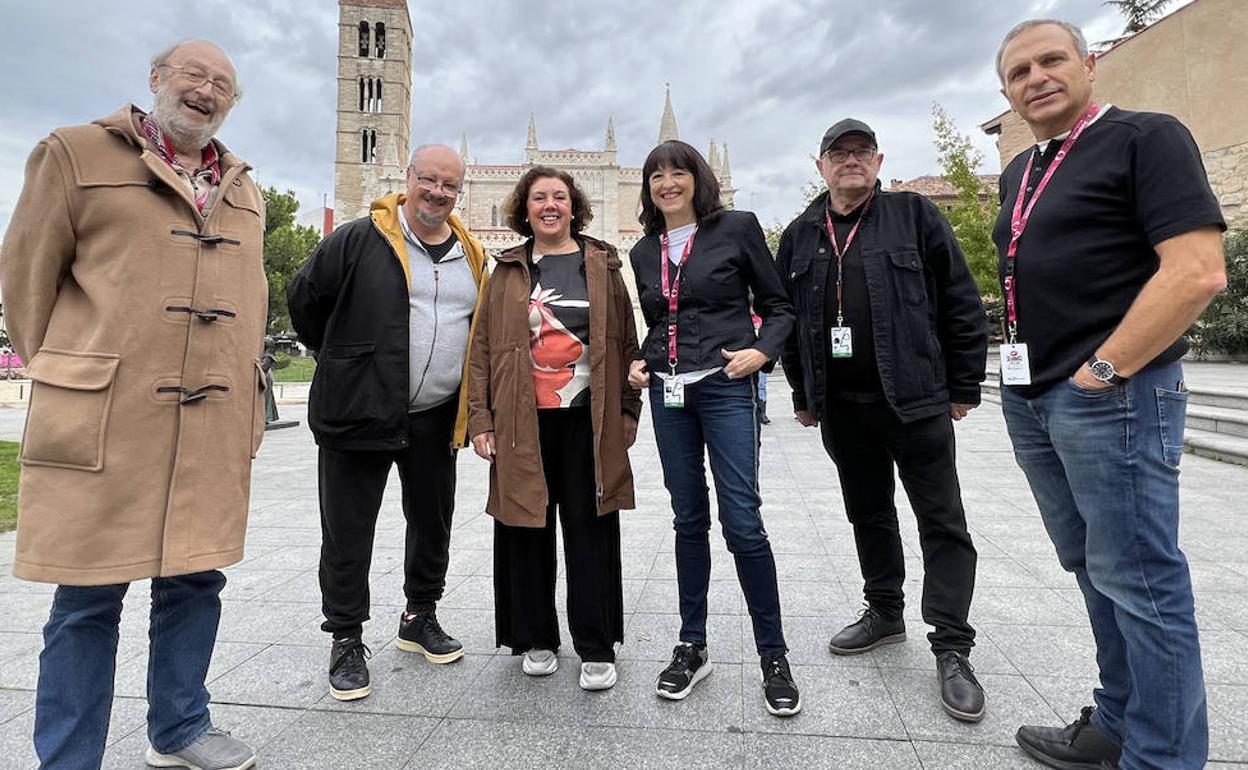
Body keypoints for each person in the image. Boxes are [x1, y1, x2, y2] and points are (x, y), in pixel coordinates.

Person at [0, 39, 265, 770]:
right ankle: (69, 757)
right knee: (87, 599)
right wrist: (73, 371)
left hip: (207, 420)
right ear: (155, 81)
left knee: (196, 579)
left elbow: (249, 301)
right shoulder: (74, 154)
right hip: (108, 418)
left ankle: (180, 727)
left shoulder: (244, 187)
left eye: (222, 84)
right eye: (193, 74)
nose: (206, 91)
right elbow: (26, 284)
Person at [993, 19, 1227, 770]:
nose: (1036, 77)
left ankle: (1160, 758)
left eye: (1052, 59)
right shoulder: (1019, 173)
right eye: (1019, 71)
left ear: (1090, 65)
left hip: (1111, 395)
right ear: (1007, 92)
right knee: (1093, 568)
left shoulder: (1146, 138)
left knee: (1142, 580)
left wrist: (1106, 369)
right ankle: (1118, 724)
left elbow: (1195, 271)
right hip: (1034, 397)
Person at [777, 119, 988, 723]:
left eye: (861, 152)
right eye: (838, 154)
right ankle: (885, 612)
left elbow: (960, 300)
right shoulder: (799, 235)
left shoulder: (914, 215)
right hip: (844, 408)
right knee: (868, 514)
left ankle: (951, 646)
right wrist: (803, 394)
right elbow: (786, 321)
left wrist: (964, 384)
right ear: (820, 165)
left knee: (942, 522)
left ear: (878, 160)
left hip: (917, 401)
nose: (850, 161)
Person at [287, 144, 488, 701]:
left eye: (450, 185)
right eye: (429, 180)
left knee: (432, 522)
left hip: (434, 416)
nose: (438, 192)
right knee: (349, 531)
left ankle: (419, 615)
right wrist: (346, 362)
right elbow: (305, 300)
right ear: (408, 179)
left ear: (459, 191)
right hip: (361, 412)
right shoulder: (358, 238)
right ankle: (346, 638)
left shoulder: (471, 254)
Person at [627, 140, 801, 717]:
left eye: (678, 172)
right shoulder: (645, 250)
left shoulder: (737, 228)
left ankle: (772, 655)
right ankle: (691, 644)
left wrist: (761, 353)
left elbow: (780, 307)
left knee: (743, 521)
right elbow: (660, 320)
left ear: (698, 179)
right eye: (657, 175)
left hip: (726, 387)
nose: (667, 182)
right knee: (687, 518)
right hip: (670, 396)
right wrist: (642, 359)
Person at [466, 167, 641, 691]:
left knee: (592, 530)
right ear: (524, 207)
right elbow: (481, 350)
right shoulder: (507, 270)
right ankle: (537, 637)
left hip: (588, 420)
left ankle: (596, 643)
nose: (549, 205)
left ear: (574, 206)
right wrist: (480, 418)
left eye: (559, 197)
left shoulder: (602, 265)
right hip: (521, 420)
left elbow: (627, 343)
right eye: (539, 197)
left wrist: (628, 411)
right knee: (526, 528)